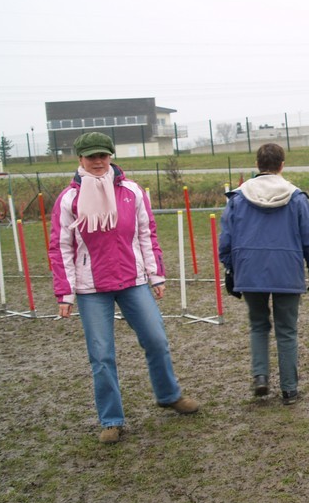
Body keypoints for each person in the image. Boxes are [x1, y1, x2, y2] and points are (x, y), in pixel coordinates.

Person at [49, 132, 199, 445]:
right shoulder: (68, 199)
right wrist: (65, 293)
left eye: (103, 155)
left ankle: (169, 395)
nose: (99, 162)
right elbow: (60, 246)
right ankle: (112, 420)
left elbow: (147, 233)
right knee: (101, 355)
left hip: (132, 280)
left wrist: (155, 274)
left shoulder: (132, 191)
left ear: (111, 156)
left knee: (157, 339)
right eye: (92, 157)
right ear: (80, 159)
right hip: (92, 289)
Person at [219, 143, 309, 405]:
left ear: (257, 165)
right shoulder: (296, 198)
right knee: (287, 330)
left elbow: (226, 239)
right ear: (282, 165)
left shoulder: (238, 199)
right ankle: (289, 389)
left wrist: (230, 269)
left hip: (250, 270)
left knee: (258, 325)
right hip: (287, 270)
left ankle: (261, 377)